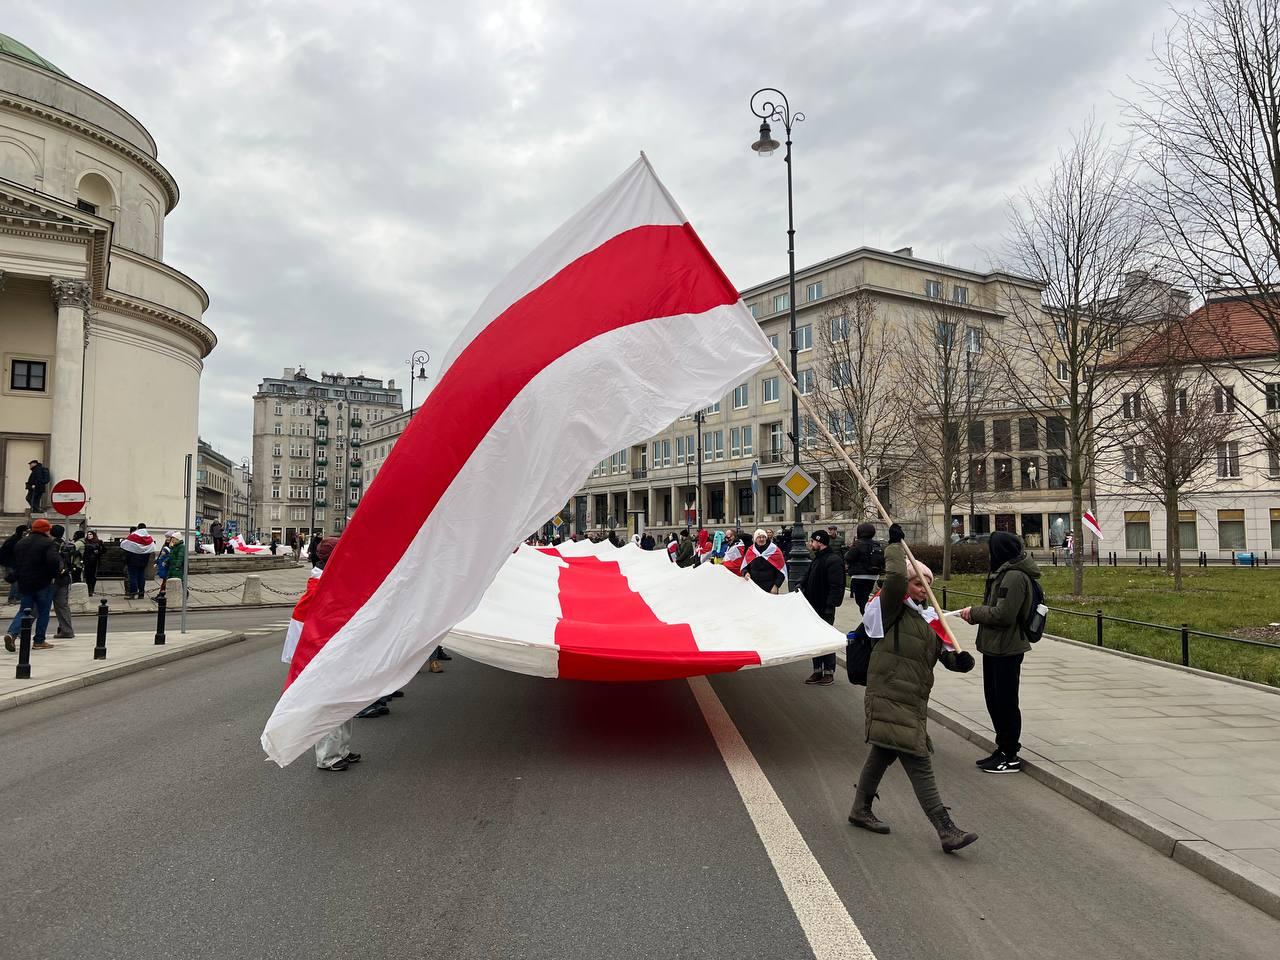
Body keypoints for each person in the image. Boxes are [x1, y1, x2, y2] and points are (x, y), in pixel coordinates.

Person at [849, 523, 979, 853]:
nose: (924, 588)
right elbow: (892, 580)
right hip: (891, 691)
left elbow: (942, 653)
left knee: (882, 753)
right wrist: (894, 548)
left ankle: (859, 810)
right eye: (918, 582)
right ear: (906, 584)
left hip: (912, 696)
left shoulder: (928, 618)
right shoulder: (891, 608)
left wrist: (959, 662)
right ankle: (945, 829)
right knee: (918, 758)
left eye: (929, 583)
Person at [958, 531, 1041, 774]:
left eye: (991, 549)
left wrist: (975, 613)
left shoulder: (1014, 577)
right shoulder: (1003, 573)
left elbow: (1004, 614)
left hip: (1007, 648)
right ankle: (1002, 748)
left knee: (1005, 702)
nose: (988, 554)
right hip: (994, 646)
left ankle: (1010, 754)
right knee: (994, 700)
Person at [281, 537, 363, 771]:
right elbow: (309, 626)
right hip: (323, 656)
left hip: (334, 653)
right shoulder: (320, 587)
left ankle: (341, 750)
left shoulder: (330, 582)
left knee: (343, 703)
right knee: (329, 704)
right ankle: (328, 756)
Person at [4, 518, 61, 652]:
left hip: (25, 583)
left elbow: (16, 564)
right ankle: (39, 641)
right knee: (43, 612)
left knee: (24, 611)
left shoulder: (21, 543)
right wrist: (54, 575)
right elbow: (53, 561)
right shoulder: (48, 543)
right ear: (46, 530)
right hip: (43, 582)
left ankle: (12, 634)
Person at [799, 529, 845, 685]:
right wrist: (800, 586)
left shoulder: (833, 560)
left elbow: (837, 586)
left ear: (819, 542)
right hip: (813, 607)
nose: (810, 544)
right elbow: (808, 577)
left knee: (826, 640)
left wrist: (830, 606)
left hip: (825, 608)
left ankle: (829, 672)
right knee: (815, 639)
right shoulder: (817, 558)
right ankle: (817, 670)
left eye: (812, 541)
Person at [844, 523, 885, 614]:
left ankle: (869, 621)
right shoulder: (876, 544)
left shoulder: (858, 544)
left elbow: (848, 557)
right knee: (866, 599)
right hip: (873, 577)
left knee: (861, 602)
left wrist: (849, 549)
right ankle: (868, 620)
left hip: (859, 577)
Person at [49, 524, 76, 639]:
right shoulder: (68, 545)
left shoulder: (51, 545)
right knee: (62, 605)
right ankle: (67, 630)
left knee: (39, 605)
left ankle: (23, 629)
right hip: (64, 578)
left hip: (52, 578)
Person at [742, 528, 785, 593]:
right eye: (759, 537)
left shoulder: (774, 550)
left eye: (763, 537)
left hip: (770, 587)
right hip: (754, 587)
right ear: (755, 539)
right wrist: (745, 573)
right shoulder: (751, 550)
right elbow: (744, 567)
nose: (761, 539)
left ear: (766, 538)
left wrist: (776, 586)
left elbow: (781, 571)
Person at [121, 524, 156, 599]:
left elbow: (123, 544)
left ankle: (133, 594)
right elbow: (152, 548)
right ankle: (141, 594)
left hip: (133, 560)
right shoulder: (149, 537)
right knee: (141, 577)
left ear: (138, 528)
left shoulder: (134, 535)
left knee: (133, 577)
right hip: (143, 561)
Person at [2, 524, 27, 605]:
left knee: (18, 581)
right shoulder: (14, 540)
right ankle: (12, 598)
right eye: (25, 532)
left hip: (15, 564)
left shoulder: (17, 539)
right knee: (15, 582)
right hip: (11, 564)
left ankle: (18, 597)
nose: (26, 533)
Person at [163, 531, 186, 600]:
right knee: (171, 581)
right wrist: (166, 561)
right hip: (172, 567)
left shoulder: (181, 547)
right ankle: (172, 594)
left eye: (173, 539)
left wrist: (177, 566)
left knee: (178, 581)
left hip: (176, 568)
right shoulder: (174, 546)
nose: (172, 540)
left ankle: (183, 594)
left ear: (177, 539)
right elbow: (171, 556)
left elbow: (180, 557)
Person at [82, 531, 104, 597]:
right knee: (87, 576)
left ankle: (92, 590)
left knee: (93, 576)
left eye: (90, 534)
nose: (89, 535)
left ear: (93, 535)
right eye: (88, 534)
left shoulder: (98, 542)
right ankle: (89, 590)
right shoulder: (85, 542)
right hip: (87, 561)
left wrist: (98, 552)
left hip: (95, 561)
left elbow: (104, 550)